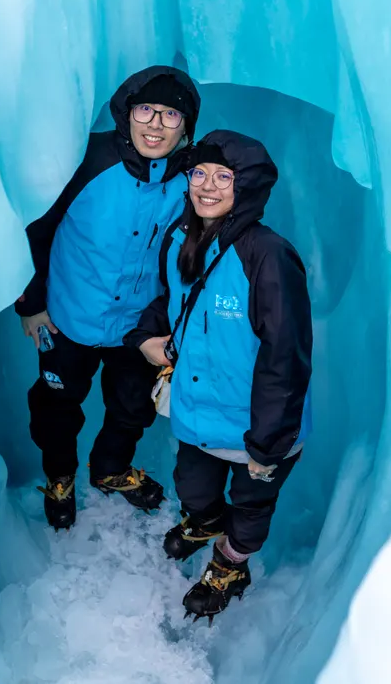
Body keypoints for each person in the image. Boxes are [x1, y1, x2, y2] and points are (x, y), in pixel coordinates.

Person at [126, 130, 312, 622]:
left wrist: (268, 443)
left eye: (223, 176)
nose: (207, 185)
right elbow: (171, 304)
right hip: (198, 415)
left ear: (246, 186)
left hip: (258, 429)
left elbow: (285, 355)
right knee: (194, 488)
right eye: (199, 173)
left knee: (250, 510)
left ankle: (231, 565)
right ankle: (206, 523)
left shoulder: (268, 255)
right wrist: (148, 335)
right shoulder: (182, 240)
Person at [16, 65, 201, 530]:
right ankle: (60, 475)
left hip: (137, 328)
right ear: (127, 112)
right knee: (57, 404)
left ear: (186, 127)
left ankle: (110, 469)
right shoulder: (91, 160)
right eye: (146, 110)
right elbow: (38, 227)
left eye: (170, 115)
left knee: (132, 407)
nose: (156, 125)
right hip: (68, 317)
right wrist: (32, 303)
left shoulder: (190, 182)